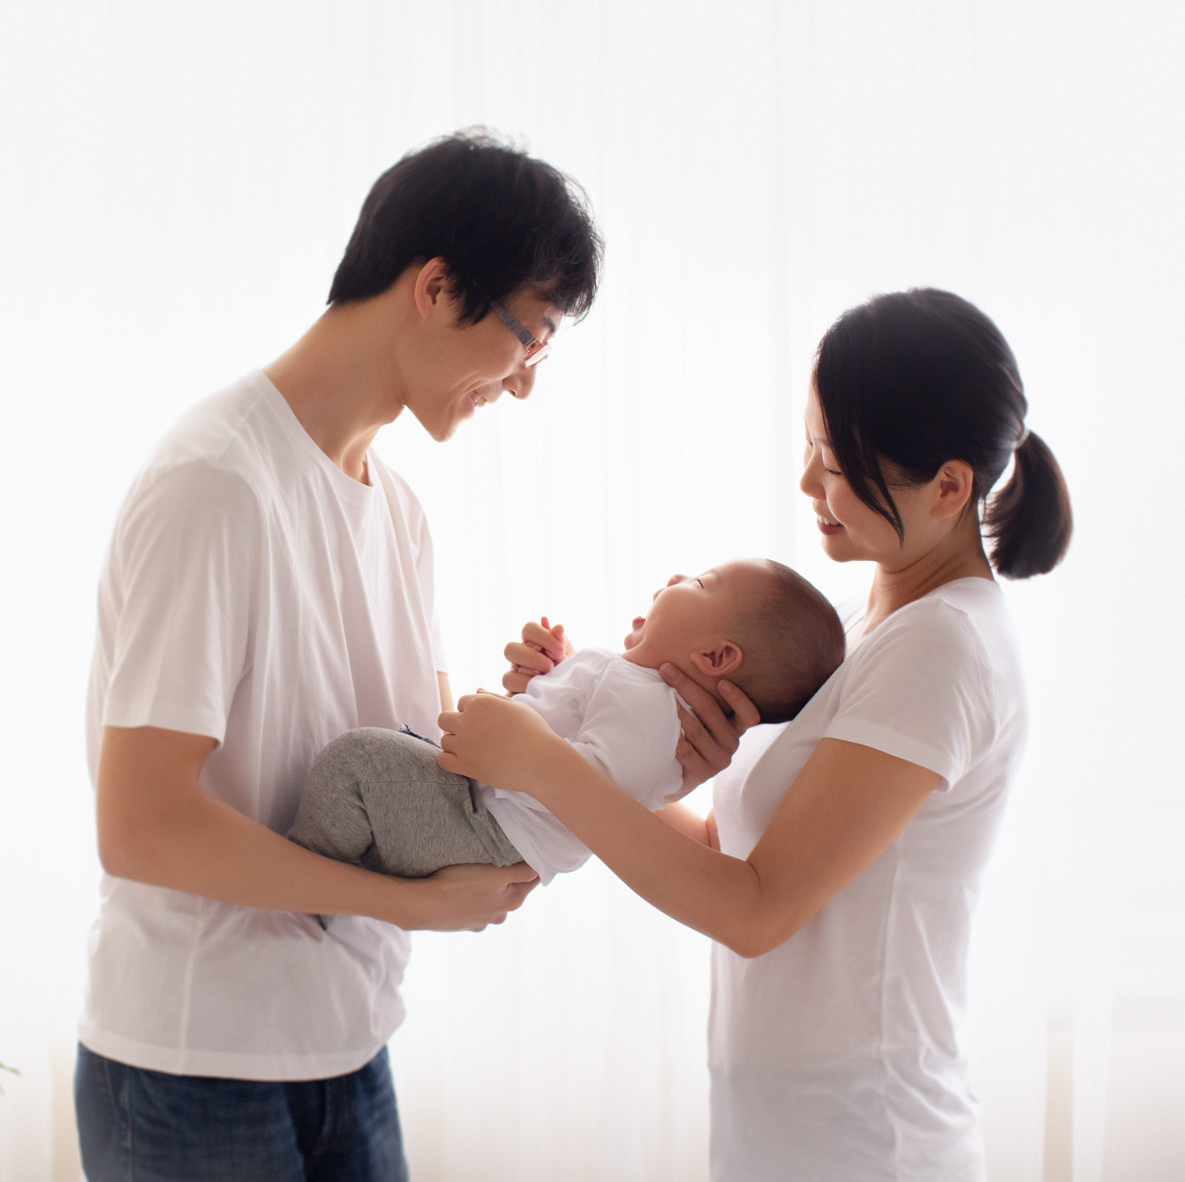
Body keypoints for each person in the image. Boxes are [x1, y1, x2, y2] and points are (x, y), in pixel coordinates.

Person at [435, 287, 1071, 1181]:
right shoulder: (863, 625)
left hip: (868, 1143)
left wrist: (542, 765)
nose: (809, 483)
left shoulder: (944, 645)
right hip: (791, 1132)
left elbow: (756, 910)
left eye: (837, 461)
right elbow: (725, 855)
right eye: (811, 445)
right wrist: (578, 720)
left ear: (951, 486)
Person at [77, 131, 604, 1181]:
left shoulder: (395, 508)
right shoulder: (218, 482)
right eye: (529, 337)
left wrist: (527, 717)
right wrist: (415, 906)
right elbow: (139, 826)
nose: (527, 382)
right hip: (197, 1060)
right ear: (436, 286)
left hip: (348, 1041)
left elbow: (400, 769)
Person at [288, 558, 844, 889]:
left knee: (355, 762)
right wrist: (558, 680)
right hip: (485, 809)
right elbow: (595, 753)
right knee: (377, 758)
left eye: (699, 583)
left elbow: (592, 793)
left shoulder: (652, 707)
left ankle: (309, 877)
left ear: (717, 658)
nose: (676, 576)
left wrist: (513, 746)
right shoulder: (638, 693)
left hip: (488, 823)